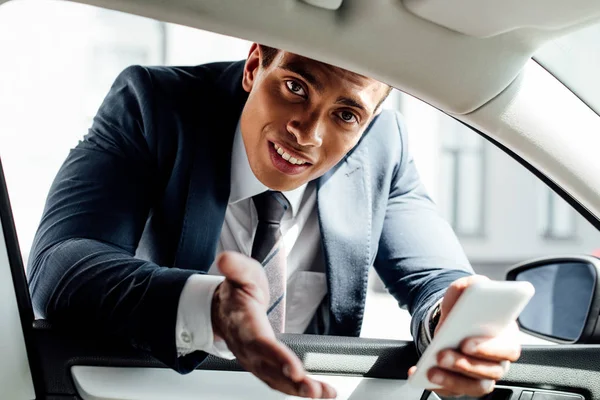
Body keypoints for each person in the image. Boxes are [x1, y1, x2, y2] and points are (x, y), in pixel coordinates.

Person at [27, 43, 521, 399]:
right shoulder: (155, 105)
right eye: (295, 87)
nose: (307, 132)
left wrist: (460, 330)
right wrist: (213, 308)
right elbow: (60, 264)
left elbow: (438, 282)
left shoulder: (382, 145)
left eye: (346, 115)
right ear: (254, 64)